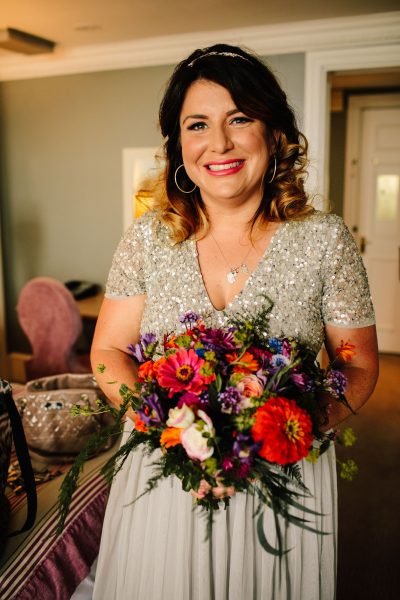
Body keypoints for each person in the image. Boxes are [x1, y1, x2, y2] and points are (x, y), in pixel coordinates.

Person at [90, 44, 378, 600]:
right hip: (166, 470)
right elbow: (109, 351)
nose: (218, 143)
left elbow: (360, 362)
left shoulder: (325, 240)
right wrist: (170, 434)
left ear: (274, 135)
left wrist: (294, 428)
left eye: (239, 119)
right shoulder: (148, 238)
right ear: (179, 145)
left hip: (282, 473)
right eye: (198, 124)